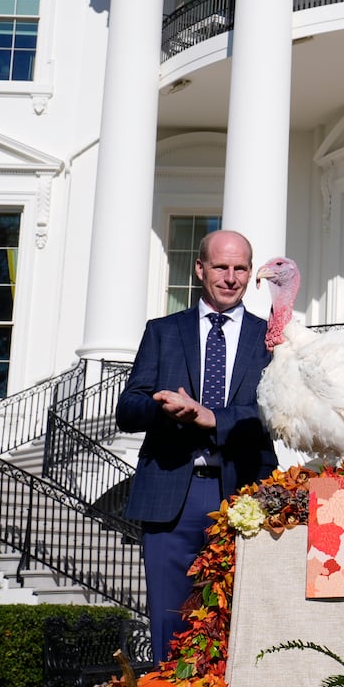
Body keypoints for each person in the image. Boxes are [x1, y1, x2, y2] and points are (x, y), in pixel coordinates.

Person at [117, 229, 278, 662]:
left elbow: (277, 414)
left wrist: (214, 418)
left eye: (240, 268)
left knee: (241, 622)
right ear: (200, 269)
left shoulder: (271, 340)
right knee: (171, 623)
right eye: (221, 267)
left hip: (244, 491)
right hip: (173, 490)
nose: (230, 277)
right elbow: (128, 408)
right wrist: (164, 408)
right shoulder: (163, 332)